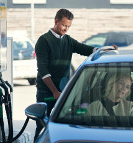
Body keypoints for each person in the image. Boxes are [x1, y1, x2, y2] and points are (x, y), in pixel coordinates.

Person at [34, 8, 118, 141]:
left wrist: (106, 49)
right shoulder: (44, 41)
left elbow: (85, 49)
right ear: (56, 21)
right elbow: (43, 71)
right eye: (64, 25)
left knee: (63, 126)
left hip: (63, 90)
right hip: (46, 91)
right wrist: (55, 92)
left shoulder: (67, 40)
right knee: (42, 127)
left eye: (68, 26)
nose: (66, 29)